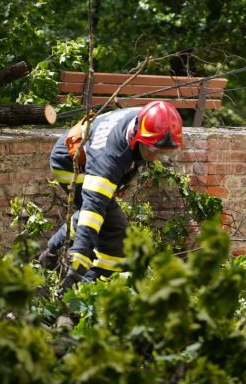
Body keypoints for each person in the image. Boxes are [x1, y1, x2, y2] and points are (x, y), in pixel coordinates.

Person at [38, 100, 183, 294]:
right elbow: (93, 208)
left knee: (106, 226)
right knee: (113, 232)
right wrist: (79, 260)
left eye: (164, 153)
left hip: (91, 159)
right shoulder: (109, 159)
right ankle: (81, 289)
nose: (157, 157)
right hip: (70, 165)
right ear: (136, 137)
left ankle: (52, 254)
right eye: (154, 151)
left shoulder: (150, 120)